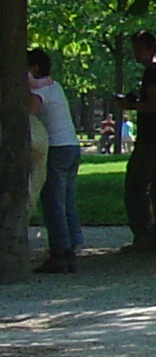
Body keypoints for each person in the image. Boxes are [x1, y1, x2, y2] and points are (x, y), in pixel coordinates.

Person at [27, 49, 81, 273]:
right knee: (67, 200)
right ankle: (71, 248)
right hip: (71, 146)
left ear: (35, 68)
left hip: (56, 149)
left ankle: (59, 252)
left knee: (53, 203)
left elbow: (27, 114)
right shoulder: (54, 86)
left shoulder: (39, 92)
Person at [116, 31, 156, 249]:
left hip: (151, 137)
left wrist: (131, 106)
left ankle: (143, 232)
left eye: (138, 49)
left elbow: (154, 105)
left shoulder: (153, 74)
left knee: (136, 185)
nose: (135, 54)